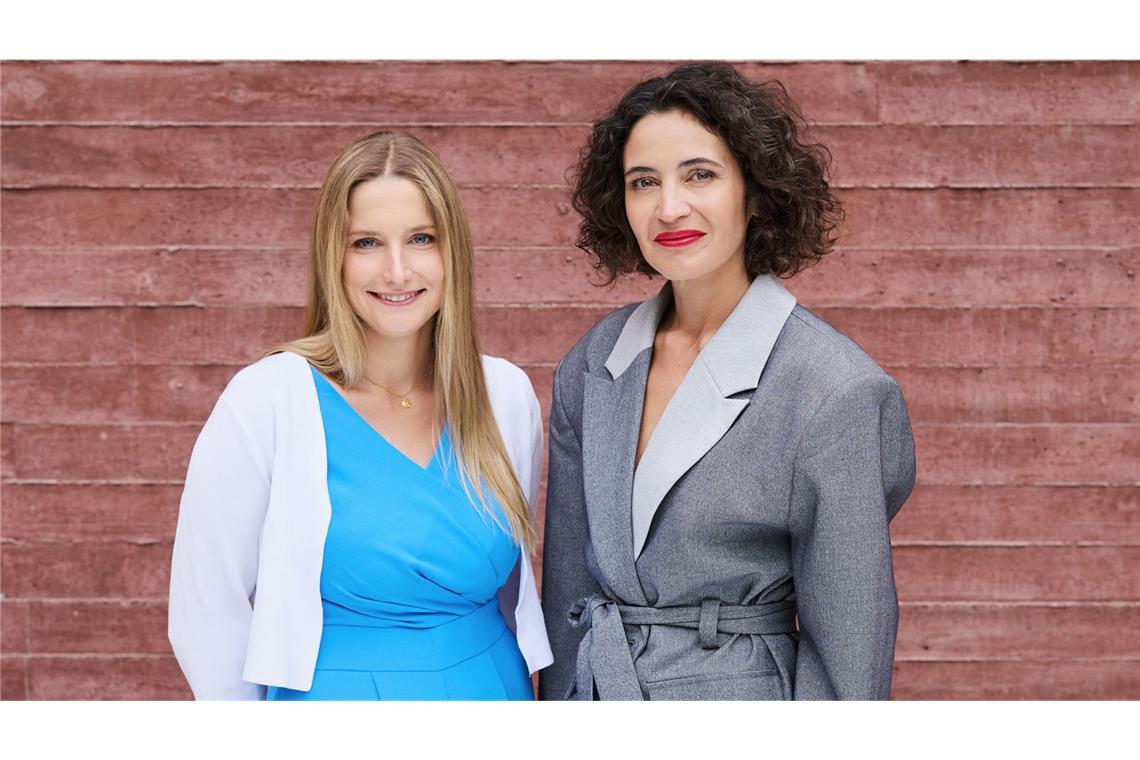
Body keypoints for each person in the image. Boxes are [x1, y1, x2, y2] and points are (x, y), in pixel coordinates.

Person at [538, 63, 916, 701]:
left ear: (757, 190)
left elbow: (851, 658)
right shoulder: (595, 361)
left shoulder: (833, 389)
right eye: (643, 182)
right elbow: (568, 593)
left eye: (700, 175)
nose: (669, 207)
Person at [168, 131, 552, 700]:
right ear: (334, 259)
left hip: (492, 690)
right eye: (367, 243)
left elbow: (512, 593)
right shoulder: (268, 400)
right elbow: (207, 611)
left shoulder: (506, 395)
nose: (397, 271)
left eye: (421, 238)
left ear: (453, 254)